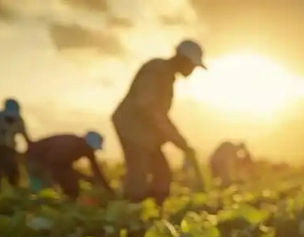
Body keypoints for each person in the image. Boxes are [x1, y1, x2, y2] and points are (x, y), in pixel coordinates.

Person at [111, 39, 206, 203]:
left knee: (162, 174)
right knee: (138, 175)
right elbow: (148, 109)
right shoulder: (156, 69)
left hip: (145, 131)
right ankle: (128, 212)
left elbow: (157, 114)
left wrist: (180, 142)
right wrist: (179, 142)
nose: (192, 70)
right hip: (132, 127)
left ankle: (155, 210)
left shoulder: (167, 75)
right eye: (192, 65)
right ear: (182, 59)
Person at [25, 131, 114, 200]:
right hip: (36, 160)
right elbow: (54, 165)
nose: (93, 151)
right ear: (85, 143)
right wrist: (84, 177)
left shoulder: (87, 150)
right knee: (46, 192)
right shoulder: (68, 146)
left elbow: (97, 170)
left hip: (54, 163)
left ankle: (69, 201)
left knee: (72, 187)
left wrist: (109, 189)